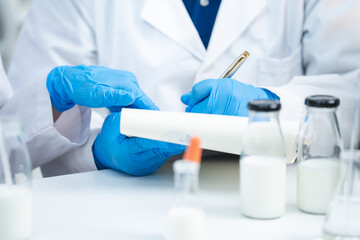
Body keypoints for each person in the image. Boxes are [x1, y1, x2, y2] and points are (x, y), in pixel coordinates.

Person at [7, 0, 360, 176]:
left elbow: (351, 84)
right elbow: (17, 129)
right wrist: (97, 150)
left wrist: (271, 107)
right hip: (116, 218)